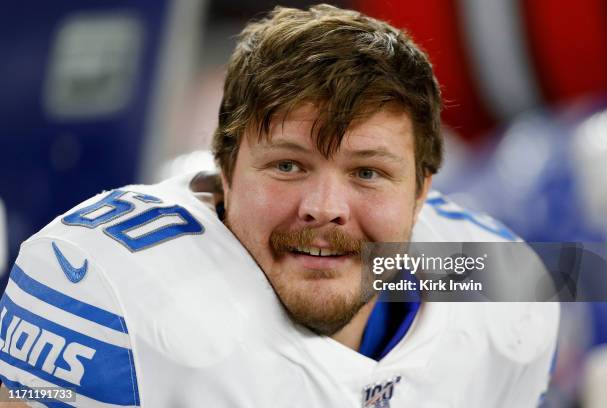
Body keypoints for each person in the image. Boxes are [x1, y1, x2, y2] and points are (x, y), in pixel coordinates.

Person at [0, 4, 558, 407]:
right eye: (289, 165)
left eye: (367, 173)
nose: (324, 207)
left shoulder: (496, 282)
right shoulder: (112, 292)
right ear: (224, 171)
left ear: (422, 192)